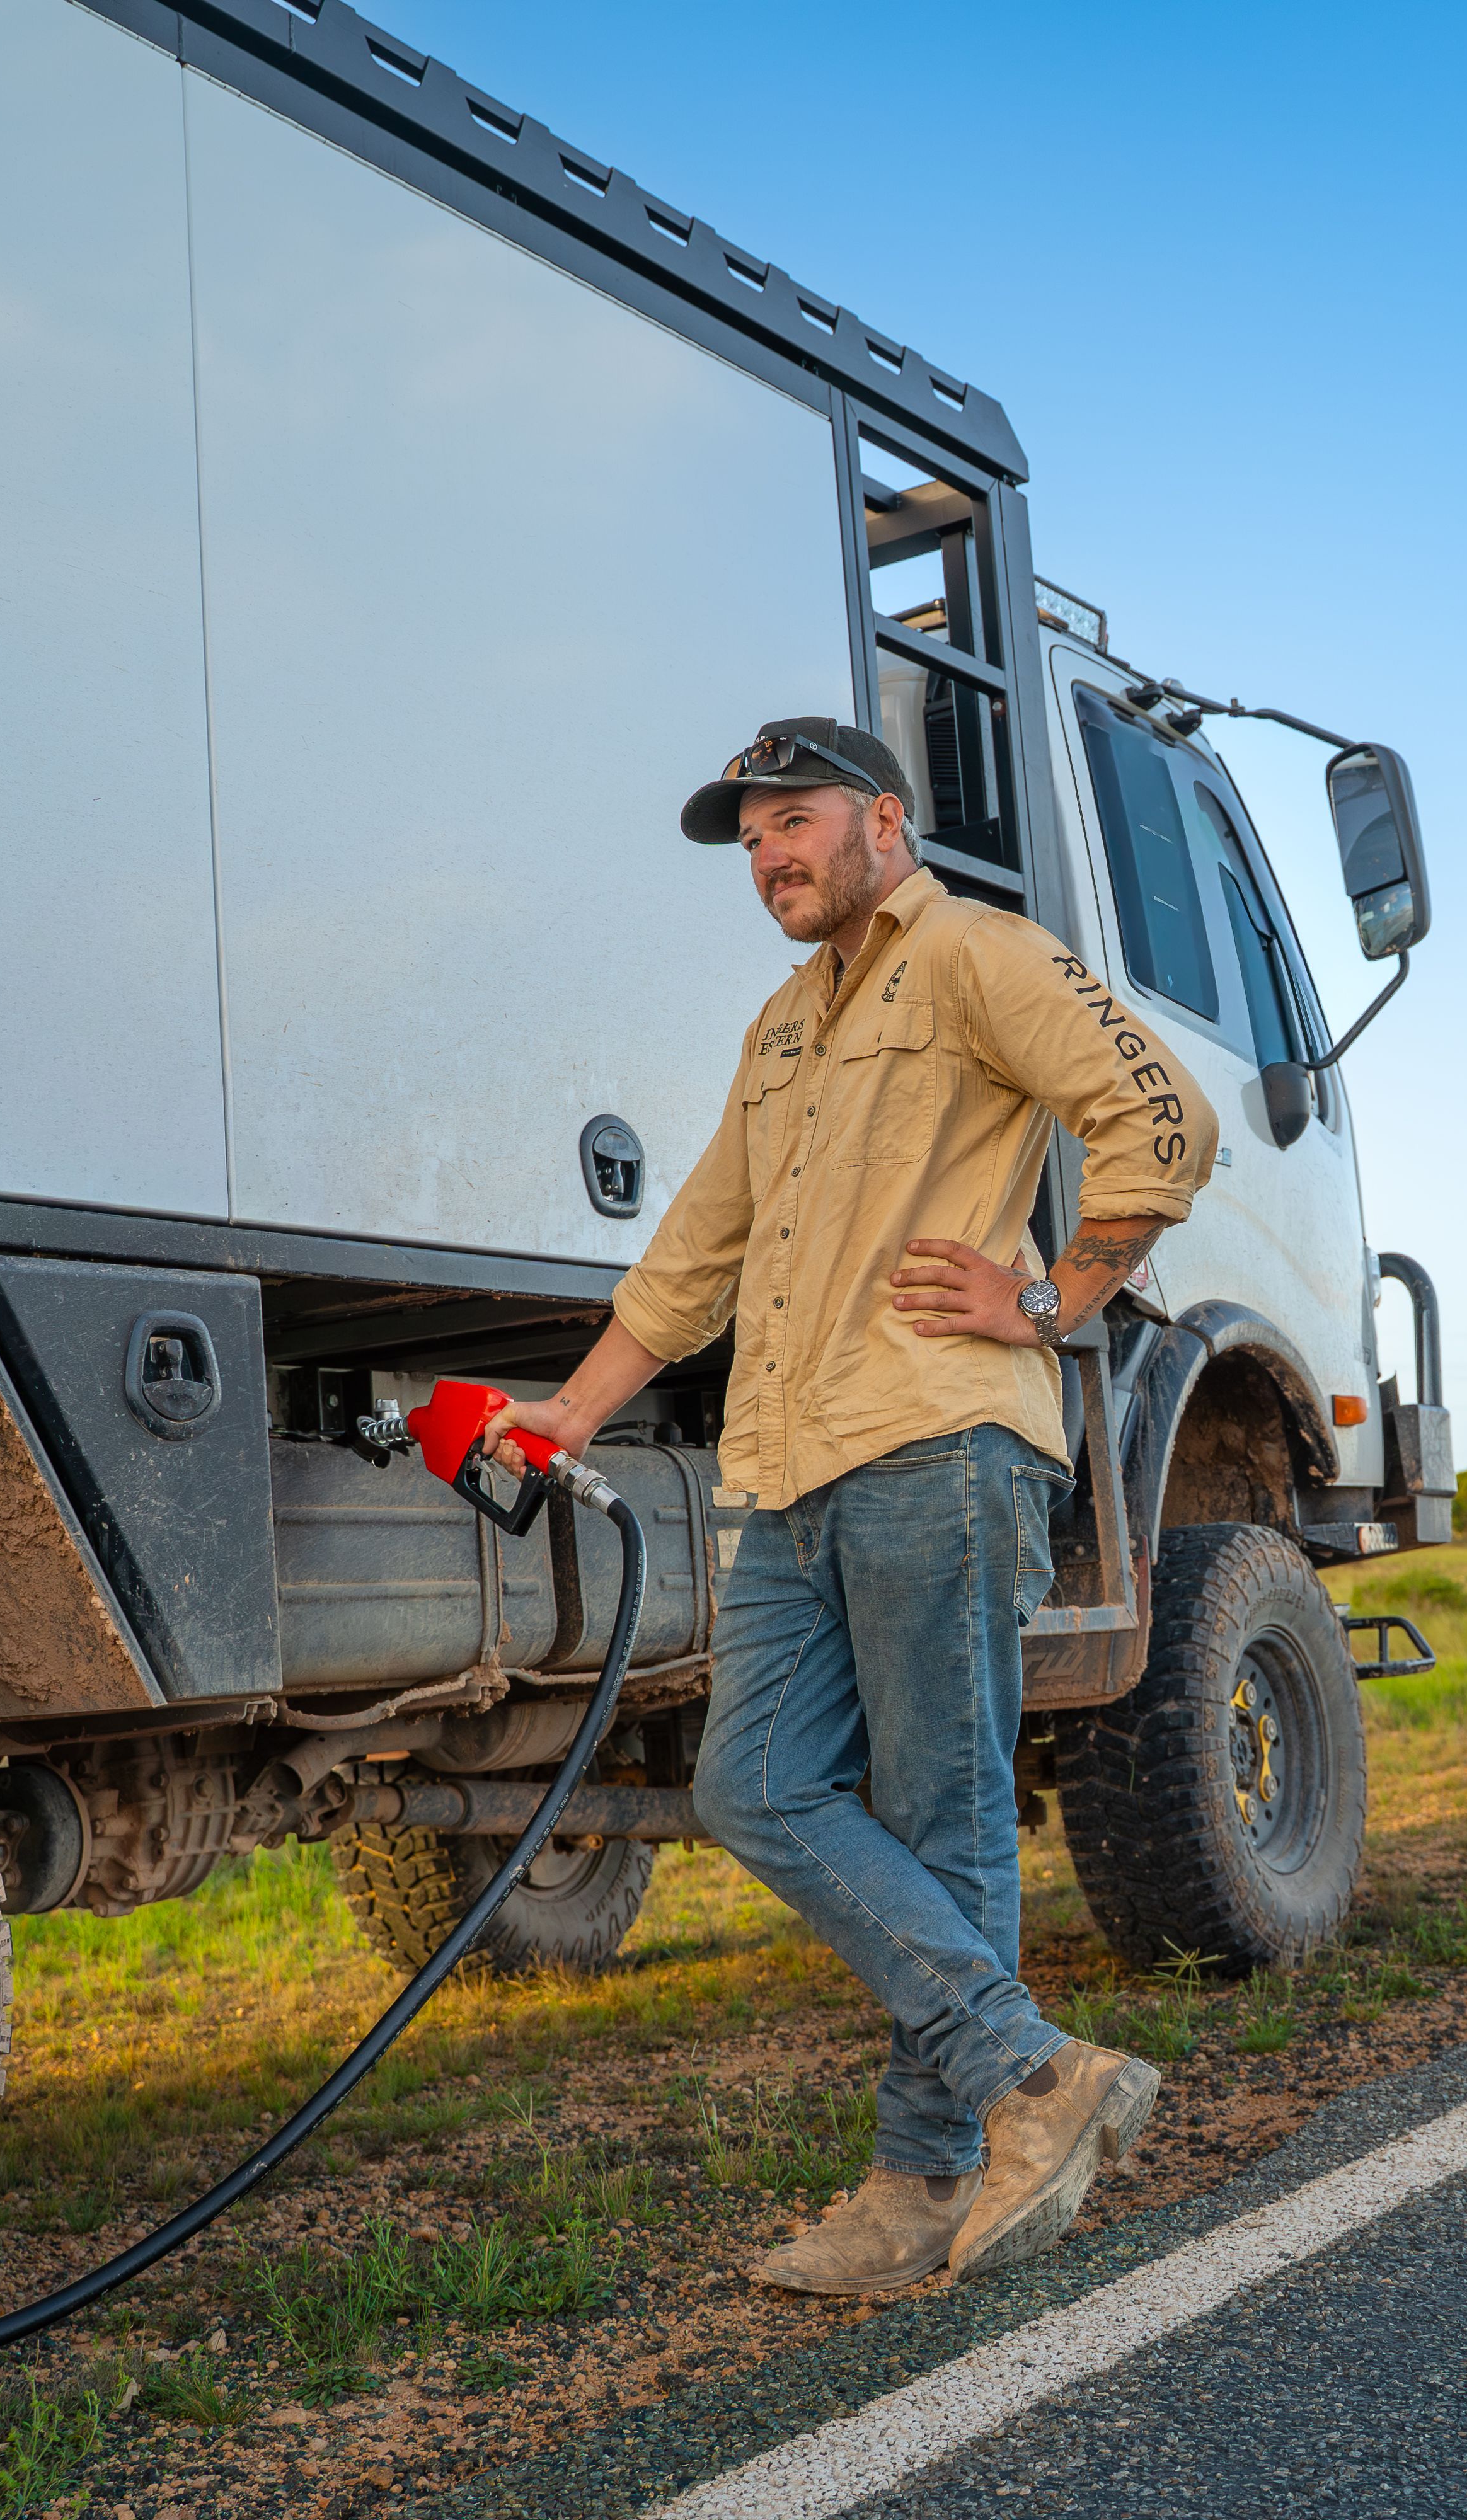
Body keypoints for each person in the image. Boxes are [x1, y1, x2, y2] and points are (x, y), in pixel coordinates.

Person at [481, 716, 1217, 2294]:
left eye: (794, 821)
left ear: (885, 816)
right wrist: (575, 1407)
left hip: (942, 1439)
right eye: (750, 842)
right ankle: (1034, 2077)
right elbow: (698, 1251)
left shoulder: (975, 954)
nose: (771, 857)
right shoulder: (782, 1026)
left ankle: (912, 2192)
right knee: (754, 1786)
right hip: (789, 1463)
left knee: (942, 1826)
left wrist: (1050, 1298)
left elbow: (1165, 1119)